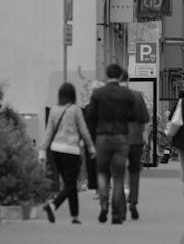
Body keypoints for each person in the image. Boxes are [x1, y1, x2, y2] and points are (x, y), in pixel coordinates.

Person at [85, 64, 136, 224]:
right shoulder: (127, 94)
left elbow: (90, 115)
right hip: (121, 136)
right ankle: (116, 214)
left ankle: (103, 204)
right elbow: (133, 115)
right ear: (119, 75)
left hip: (102, 136)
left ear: (107, 74)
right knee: (118, 176)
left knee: (102, 172)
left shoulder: (98, 93)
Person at [39, 82, 96, 224]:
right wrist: (91, 147)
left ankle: (74, 216)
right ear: (73, 95)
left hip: (56, 150)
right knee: (71, 184)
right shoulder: (75, 110)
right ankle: (53, 205)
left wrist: (42, 150)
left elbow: (48, 132)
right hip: (71, 151)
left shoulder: (53, 110)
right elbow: (83, 130)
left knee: (69, 183)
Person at [119, 70, 149, 220]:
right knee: (134, 171)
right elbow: (145, 117)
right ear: (127, 79)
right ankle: (133, 201)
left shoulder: (113, 96)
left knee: (119, 171)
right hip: (135, 138)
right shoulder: (137, 95)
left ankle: (121, 201)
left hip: (118, 138)